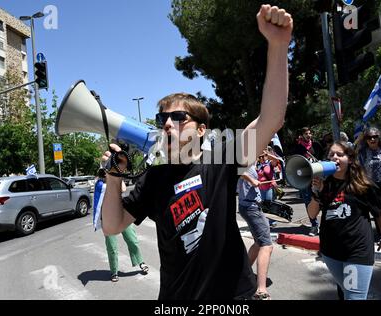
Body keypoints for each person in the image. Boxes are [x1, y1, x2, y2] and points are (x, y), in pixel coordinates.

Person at [100, 5, 292, 300]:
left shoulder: (221, 161)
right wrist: (114, 177)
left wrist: (278, 46)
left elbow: (271, 118)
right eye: (162, 119)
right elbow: (113, 226)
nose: (168, 124)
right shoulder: (154, 178)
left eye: (179, 118)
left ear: (201, 130)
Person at [308, 142, 381, 300]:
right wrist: (316, 192)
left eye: (339, 154)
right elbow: (312, 214)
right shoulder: (325, 184)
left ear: (350, 159)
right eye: (331, 155)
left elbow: (380, 213)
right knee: (345, 293)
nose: (334, 158)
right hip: (331, 252)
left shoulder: (363, 185)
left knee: (353, 297)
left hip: (356, 251)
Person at [93, 169, 149, 282]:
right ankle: (114, 271)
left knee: (132, 240)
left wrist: (117, 176)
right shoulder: (100, 185)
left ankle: (140, 262)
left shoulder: (116, 181)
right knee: (112, 247)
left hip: (121, 214)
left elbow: (123, 188)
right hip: (108, 219)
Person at [237, 167, 274, 300]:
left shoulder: (250, 158)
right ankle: (260, 290)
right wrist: (251, 179)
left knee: (259, 243)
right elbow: (237, 170)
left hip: (251, 205)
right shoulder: (241, 155)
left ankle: (242, 273)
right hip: (250, 207)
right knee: (266, 245)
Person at [294, 127, 323, 236]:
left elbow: (323, 155)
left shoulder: (316, 145)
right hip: (304, 178)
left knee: (320, 199)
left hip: (316, 177)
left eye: (310, 133)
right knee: (308, 201)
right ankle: (314, 225)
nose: (309, 135)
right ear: (302, 135)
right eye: (306, 133)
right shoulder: (298, 147)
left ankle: (324, 224)